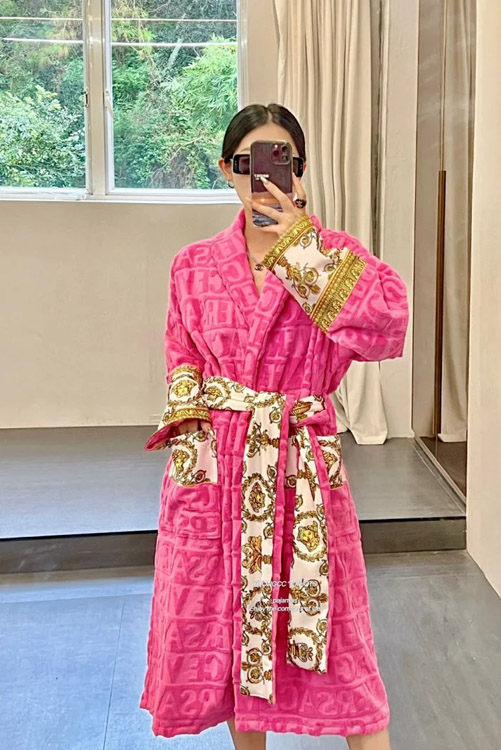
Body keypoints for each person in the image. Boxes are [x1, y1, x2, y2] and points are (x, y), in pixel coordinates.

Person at [139, 103, 409, 750]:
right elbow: (182, 358)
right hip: (217, 473)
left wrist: (302, 248)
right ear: (226, 171)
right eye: (247, 163)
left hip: (301, 468)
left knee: (341, 644)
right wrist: (192, 455)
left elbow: (387, 328)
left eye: (279, 160)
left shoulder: (331, 255)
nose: (261, 178)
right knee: (231, 635)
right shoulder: (193, 264)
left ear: (300, 170)